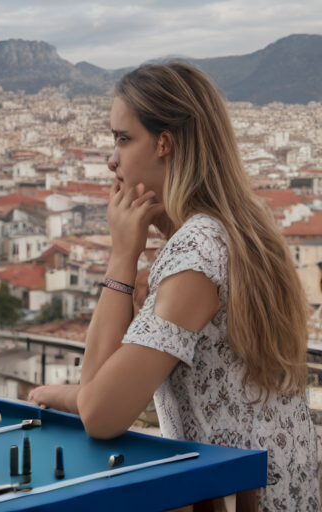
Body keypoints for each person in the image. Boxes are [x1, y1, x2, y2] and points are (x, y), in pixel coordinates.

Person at [28, 62, 321, 511]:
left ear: (164, 143)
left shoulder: (198, 253)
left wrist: (122, 255)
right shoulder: (242, 229)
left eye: (123, 139)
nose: (111, 160)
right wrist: (74, 397)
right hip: (283, 488)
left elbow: (101, 413)